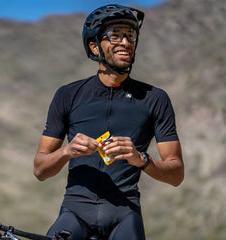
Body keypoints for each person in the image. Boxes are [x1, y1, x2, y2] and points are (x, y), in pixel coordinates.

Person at [33, 4, 184, 240]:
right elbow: (40, 169)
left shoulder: (155, 99)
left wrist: (141, 159)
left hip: (125, 213)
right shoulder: (68, 95)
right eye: (115, 35)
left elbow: (176, 175)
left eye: (130, 35)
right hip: (75, 210)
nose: (125, 42)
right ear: (94, 46)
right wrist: (67, 151)